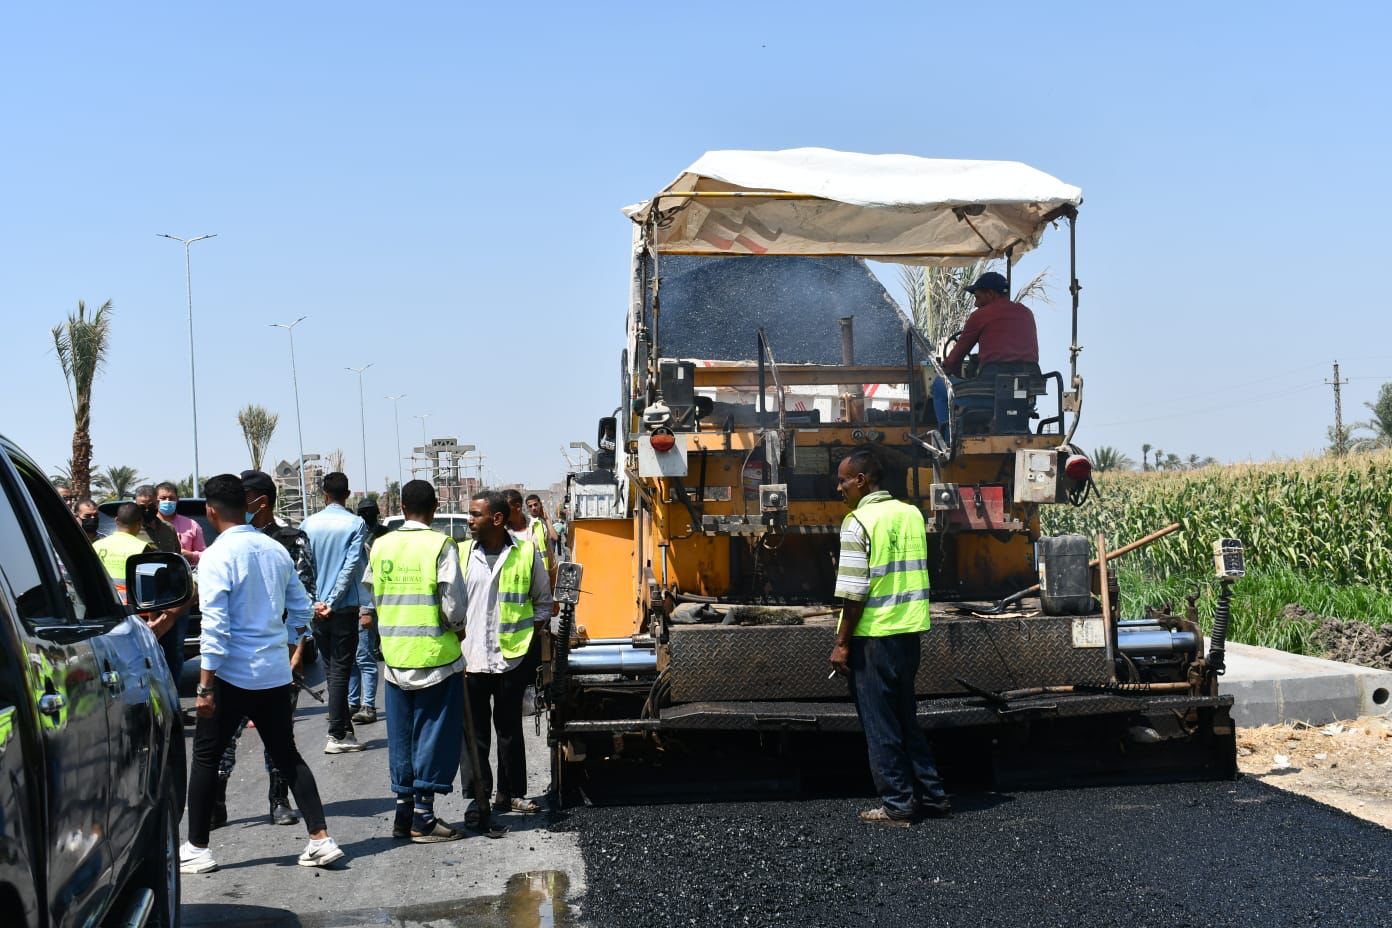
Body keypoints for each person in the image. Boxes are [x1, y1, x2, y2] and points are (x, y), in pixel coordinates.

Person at [180, 474, 342, 874]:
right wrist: (289, 645)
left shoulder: (218, 556)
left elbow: (214, 627)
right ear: (248, 508)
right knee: (287, 755)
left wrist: (204, 685)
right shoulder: (274, 550)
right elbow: (302, 608)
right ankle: (320, 838)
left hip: (232, 675)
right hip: (273, 674)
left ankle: (198, 847)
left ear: (210, 511)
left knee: (205, 757)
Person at [828, 447, 950, 826]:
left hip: (873, 637)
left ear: (862, 481)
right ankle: (933, 796)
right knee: (905, 719)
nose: (840, 488)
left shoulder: (857, 522)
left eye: (844, 480)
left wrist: (843, 643)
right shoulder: (910, 513)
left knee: (880, 724)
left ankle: (897, 805)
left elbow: (853, 592)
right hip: (909, 631)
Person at [208, 470, 318, 827]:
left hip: (278, 655)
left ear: (261, 501)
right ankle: (216, 800)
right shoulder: (228, 544)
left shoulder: (288, 541)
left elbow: (305, 600)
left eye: (248, 496)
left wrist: (295, 653)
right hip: (235, 659)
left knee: (279, 738)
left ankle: (278, 798)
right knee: (225, 739)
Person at [364, 480, 468, 842]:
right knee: (433, 737)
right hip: (435, 658)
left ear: (403, 506)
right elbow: (453, 604)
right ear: (435, 507)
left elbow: (372, 592)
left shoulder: (380, 545)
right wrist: (457, 628)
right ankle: (423, 817)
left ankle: (402, 812)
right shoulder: (441, 544)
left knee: (402, 738)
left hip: (394, 659)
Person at [460, 489, 552, 820]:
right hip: (470, 659)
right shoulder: (461, 555)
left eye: (475, 515)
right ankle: (479, 796)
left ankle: (511, 793)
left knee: (509, 729)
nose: (469, 520)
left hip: (511, 658)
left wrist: (529, 636)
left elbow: (543, 601)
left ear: (496, 519)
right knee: (475, 733)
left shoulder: (526, 553)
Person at [300, 471, 370, 753]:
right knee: (340, 669)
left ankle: (344, 730)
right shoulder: (355, 523)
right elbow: (351, 567)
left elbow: (304, 568)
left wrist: (316, 602)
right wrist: (331, 600)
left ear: (323, 495)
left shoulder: (308, 523)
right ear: (348, 494)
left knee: (332, 670)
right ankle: (337, 733)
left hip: (317, 609)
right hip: (341, 608)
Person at [930, 271, 1041, 437]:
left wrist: (946, 368)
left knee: (938, 386)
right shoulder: (1027, 313)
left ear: (991, 294)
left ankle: (948, 444)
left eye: (978, 297)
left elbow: (955, 359)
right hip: (1025, 398)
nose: (976, 304)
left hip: (988, 395)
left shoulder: (981, 315)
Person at [348, 498, 387, 724]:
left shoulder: (384, 535)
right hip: (353, 606)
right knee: (353, 659)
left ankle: (368, 705)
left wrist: (367, 609)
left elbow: (370, 576)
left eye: (369, 512)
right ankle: (353, 703)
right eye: (363, 512)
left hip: (369, 604)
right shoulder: (356, 536)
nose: (366, 515)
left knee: (364, 657)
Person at [93, 502, 154, 593]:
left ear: (116, 520)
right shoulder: (143, 548)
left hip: (104, 600)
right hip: (129, 603)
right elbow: (149, 584)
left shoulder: (96, 545)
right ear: (140, 522)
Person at [505, 489, 554, 584]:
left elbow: (551, 559)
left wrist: (552, 585)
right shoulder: (501, 532)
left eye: (506, 509)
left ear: (518, 507)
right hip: (514, 588)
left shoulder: (538, 525)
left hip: (540, 584)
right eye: (530, 506)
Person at [156, 480, 206, 565]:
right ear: (155, 500)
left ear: (177, 500)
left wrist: (191, 555)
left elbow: (205, 555)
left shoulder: (191, 525)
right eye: (163, 498)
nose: (167, 501)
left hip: (183, 574)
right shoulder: (147, 525)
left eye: (171, 498)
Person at [133, 484, 181, 554]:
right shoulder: (133, 531)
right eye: (142, 507)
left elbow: (177, 556)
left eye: (151, 506)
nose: (146, 510)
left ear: (157, 503)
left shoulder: (169, 528)